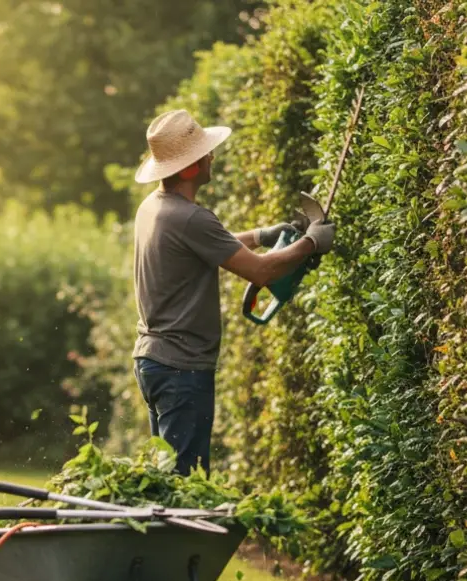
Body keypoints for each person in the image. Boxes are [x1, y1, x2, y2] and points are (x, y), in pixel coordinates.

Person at [130, 109, 335, 476]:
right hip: (181, 368)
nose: (212, 156)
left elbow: (207, 246)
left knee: (165, 479)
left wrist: (262, 235)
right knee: (184, 485)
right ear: (191, 168)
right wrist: (309, 243)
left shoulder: (154, 209)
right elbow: (259, 270)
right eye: (206, 152)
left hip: (153, 361)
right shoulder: (191, 217)